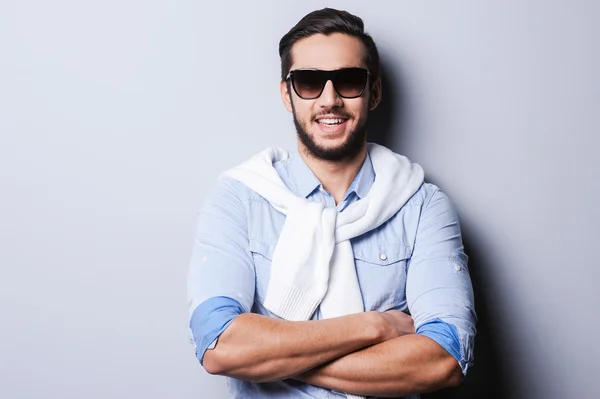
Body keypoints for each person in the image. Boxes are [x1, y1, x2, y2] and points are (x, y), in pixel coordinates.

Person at [187, 7, 476, 399]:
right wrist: (374, 327)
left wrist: (273, 361)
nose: (329, 99)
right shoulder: (239, 199)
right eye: (308, 82)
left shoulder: (422, 205)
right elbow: (220, 346)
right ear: (287, 95)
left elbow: (443, 359)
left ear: (373, 93)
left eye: (349, 81)